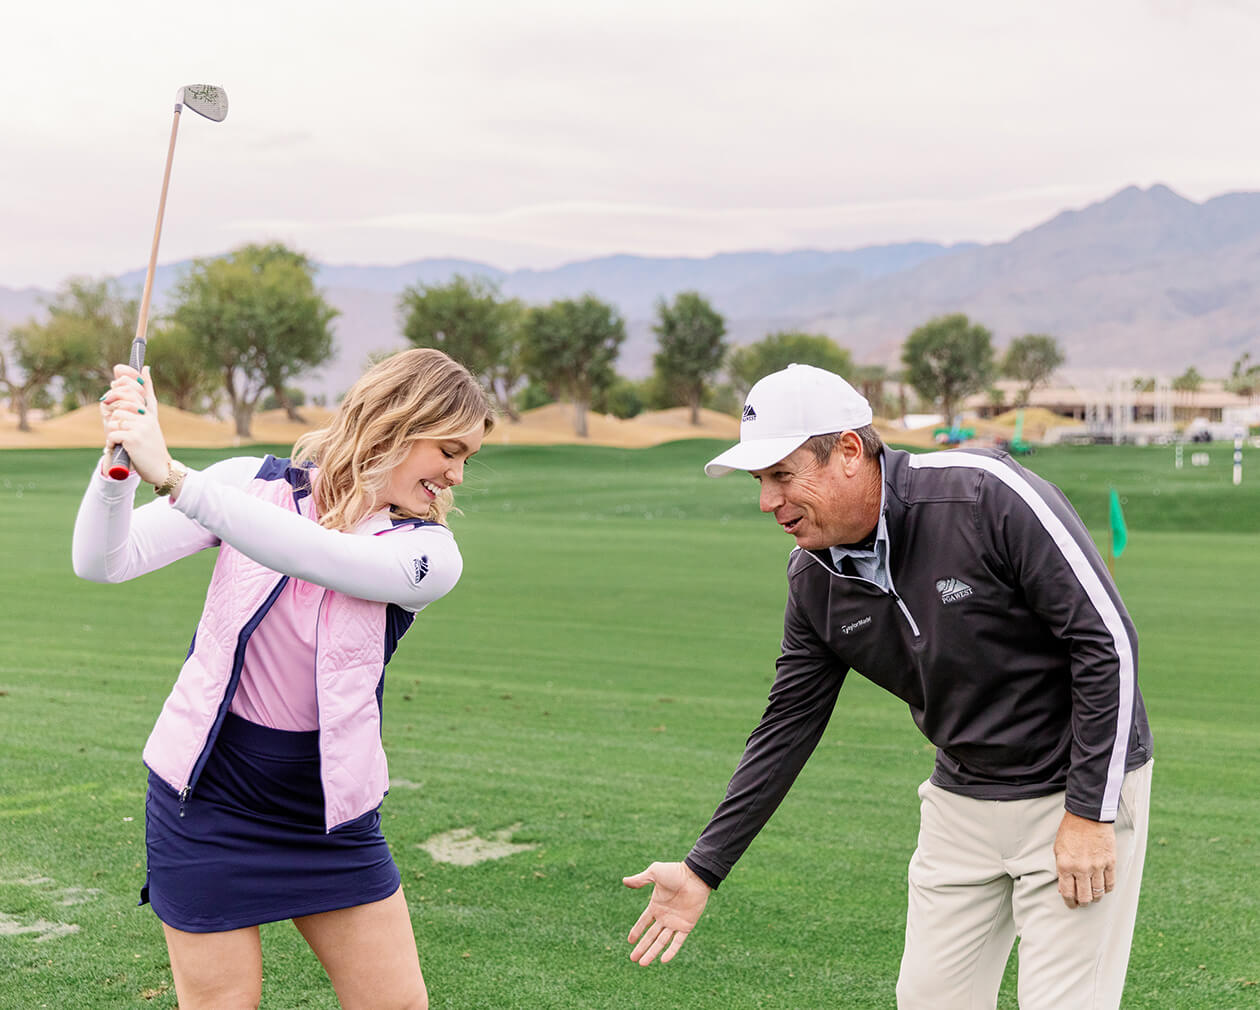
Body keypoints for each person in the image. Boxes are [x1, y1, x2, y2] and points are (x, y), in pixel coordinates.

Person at [623, 364, 1153, 1010]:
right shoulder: (812, 579)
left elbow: (1107, 642)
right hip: (961, 801)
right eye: (761, 482)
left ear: (848, 450)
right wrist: (703, 867)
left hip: (1073, 787)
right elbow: (786, 727)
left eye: (782, 476)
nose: (768, 502)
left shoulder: (984, 497)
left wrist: (1091, 813)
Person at [72, 348, 494, 1010]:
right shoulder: (250, 484)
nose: (458, 474)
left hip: (328, 816)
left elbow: (316, 554)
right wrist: (121, 464)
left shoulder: (428, 554)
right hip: (205, 800)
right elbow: (102, 561)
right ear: (393, 423)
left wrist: (178, 477)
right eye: (449, 450)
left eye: (468, 457)